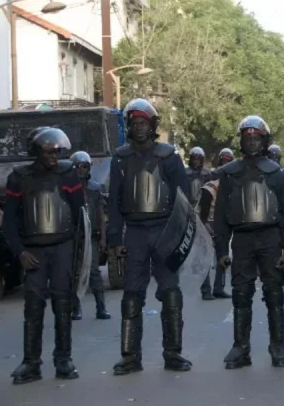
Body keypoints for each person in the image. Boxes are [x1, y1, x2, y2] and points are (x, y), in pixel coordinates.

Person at [108, 99, 191, 376]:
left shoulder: (168, 157)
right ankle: (130, 357)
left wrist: (180, 236)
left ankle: (173, 353)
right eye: (135, 123)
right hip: (134, 233)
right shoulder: (120, 158)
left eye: (144, 123)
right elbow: (114, 202)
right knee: (132, 296)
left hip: (164, 231)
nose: (139, 127)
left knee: (170, 294)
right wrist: (115, 240)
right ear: (129, 126)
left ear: (153, 126)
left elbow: (183, 198)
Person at [4, 128, 85, 384]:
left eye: (56, 151)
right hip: (33, 251)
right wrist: (20, 252)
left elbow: (80, 214)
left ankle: (63, 359)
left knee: (63, 304)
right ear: (36, 151)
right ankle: (31, 363)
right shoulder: (19, 178)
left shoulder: (68, 174)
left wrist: (79, 252)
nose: (53, 156)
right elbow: (9, 222)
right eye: (48, 151)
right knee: (33, 307)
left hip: (62, 248)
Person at [214, 116, 284, 369]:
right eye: (247, 138)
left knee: (274, 293)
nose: (251, 142)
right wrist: (221, 250)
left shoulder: (278, 174)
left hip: (270, 237)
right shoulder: (229, 174)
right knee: (241, 293)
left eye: (256, 138)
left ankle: (278, 345)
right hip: (242, 239)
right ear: (241, 141)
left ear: (264, 141)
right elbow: (221, 215)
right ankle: (241, 347)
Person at [69, 151, 111, 321]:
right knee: (74, 272)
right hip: (73, 237)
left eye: (84, 166)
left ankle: (101, 307)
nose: (81, 170)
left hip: (91, 236)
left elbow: (100, 215)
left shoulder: (95, 188)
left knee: (94, 271)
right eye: (77, 166)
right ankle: (75, 308)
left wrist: (103, 238)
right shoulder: (67, 189)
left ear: (89, 168)